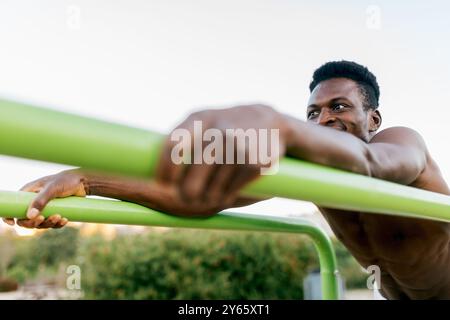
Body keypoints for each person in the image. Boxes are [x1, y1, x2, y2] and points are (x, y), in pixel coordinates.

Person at [3, 61, 449, 299]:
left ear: (372, 116)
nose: (324, 119)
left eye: (339, 107)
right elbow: (200, 199)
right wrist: (84, 180)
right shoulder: (315, 172)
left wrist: (278, 123)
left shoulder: (401, 142)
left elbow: (370, 161)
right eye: (313, 112)